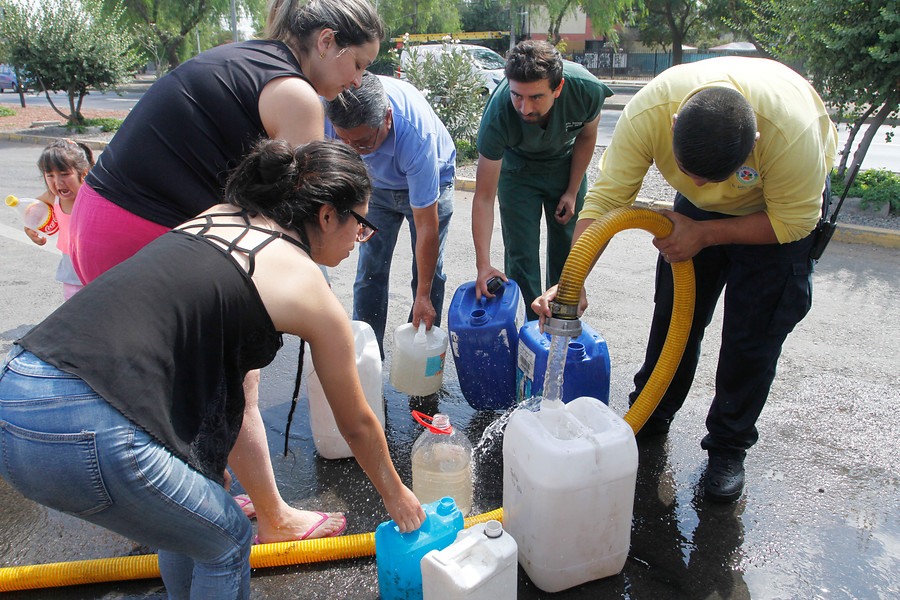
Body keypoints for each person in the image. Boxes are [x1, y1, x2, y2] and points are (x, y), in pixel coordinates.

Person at [0, 139, 426, 599]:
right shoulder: (307, 285)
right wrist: (396, 495)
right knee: (227, 541)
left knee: (187, 529)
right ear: (326, 215)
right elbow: (357, 423)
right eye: (360, 226)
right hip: (90, 431)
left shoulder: (219, 215)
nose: (358, 241)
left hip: (17, 392)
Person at [68, 0, 385, 542]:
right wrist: (318, 308)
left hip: (98, 217)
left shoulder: (243, 57)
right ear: (328, 41)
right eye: (358, 63)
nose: (358, 81)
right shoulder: (298, 96)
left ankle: (203, 495)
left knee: (190, 381)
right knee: (236, 383)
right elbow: (305, 224)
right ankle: (273, 519)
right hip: (142, 225)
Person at [533, 56, 838, 502]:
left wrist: (708, 232)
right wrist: (571, 282)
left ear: (753, 140)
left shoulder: (790, 135)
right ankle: (650, 413)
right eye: (686, 171)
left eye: (708, 177)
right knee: (677, 317)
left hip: (776, 215)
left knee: (751, 337)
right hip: (695, 208)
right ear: (674, 125)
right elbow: (606, 201)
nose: (696, 181)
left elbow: (795, 224)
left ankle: (727, 448)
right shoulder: (650, 113)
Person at [471, 39, 612, 319]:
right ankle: (532, 328)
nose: (524, 108)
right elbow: (484, 197)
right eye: (517, 96)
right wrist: (483, 265)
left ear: (557, 89)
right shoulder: (498, 114)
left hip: (565, 165)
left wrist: (572, 190)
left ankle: (562, 324)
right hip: (517, 170)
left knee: (568, 250)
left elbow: (587, 136)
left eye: (536, 97)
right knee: (521, 256)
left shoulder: (586, 90)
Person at [324, 72, 455, 355]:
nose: (352, 150)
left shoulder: (415, 135)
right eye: (343, 140)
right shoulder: (333, 110)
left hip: (433, 180)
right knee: (370, 269)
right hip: (376, 188)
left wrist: (422, 296)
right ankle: (368, 355)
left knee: (429, 276)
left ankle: (419, 355)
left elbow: (426, 227)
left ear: (387, 118)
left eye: (361, 142)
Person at [21, 139, 94, 300]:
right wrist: (30, 229)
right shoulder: (52, 197)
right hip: (71, 275)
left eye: (65, 174)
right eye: (50, 175)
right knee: (75, 317)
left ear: (84, 173)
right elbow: (32, 210)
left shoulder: (95, 196)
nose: (58, 182)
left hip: (99, 273)